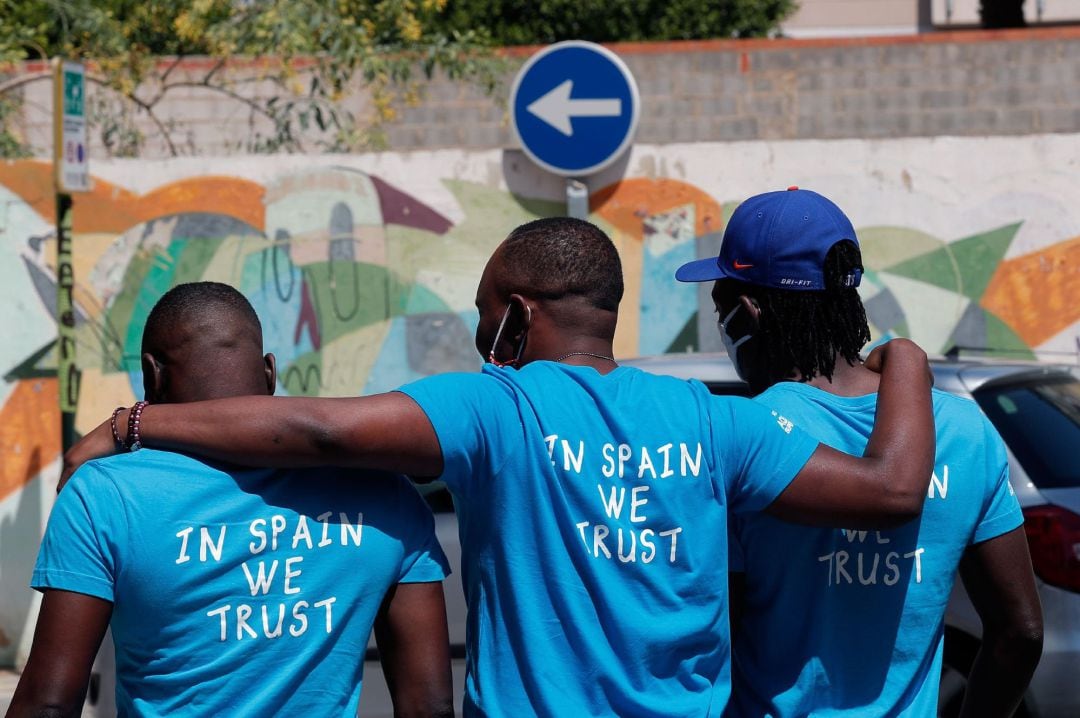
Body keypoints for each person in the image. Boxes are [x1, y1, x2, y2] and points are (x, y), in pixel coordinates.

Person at [63, 218, 937, 717]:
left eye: (484, 314)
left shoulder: (494, 407)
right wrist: (905, 364)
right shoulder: (716, 423)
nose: (483, 337)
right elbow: (891, 492)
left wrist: (138, 423)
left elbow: (319, 430)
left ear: (516, 316)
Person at [675, 187, 1043, 717]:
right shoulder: (963, 429)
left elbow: (712, 637)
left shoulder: (741, 434)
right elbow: (1021, 633)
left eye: (720, 306)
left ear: (749, 312)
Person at [10, 282, 453, 718]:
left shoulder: (105, 495)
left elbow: (49, 703)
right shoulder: (386, 493)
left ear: (152, 374)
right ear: (270, 372)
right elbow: (429, 706)